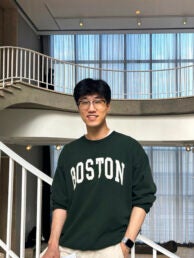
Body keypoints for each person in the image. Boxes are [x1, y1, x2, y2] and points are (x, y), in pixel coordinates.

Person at [42, 78, 156, 258]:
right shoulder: (69, 153)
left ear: (108, 106)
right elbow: (60, 203)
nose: (91, 108)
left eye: (98, 101)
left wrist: (126, 244)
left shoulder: (129, 148)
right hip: (69, 248)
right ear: (78, 107)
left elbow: (144, 198)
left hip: (110, 249)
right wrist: (53, 244)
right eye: (84, 102)